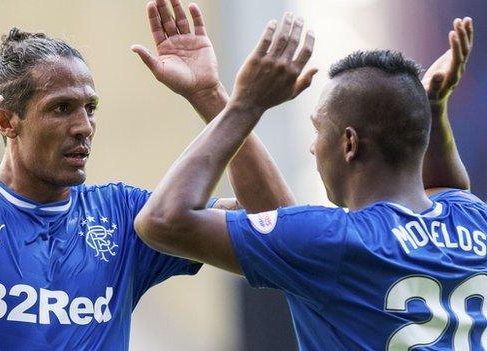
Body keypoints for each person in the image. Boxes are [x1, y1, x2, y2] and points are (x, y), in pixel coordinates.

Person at [0, 1, 293, 350]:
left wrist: (211, 97)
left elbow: (283, 231)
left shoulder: (127, 216)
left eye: (90, 108)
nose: (84, 125)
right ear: (7, 122)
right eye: (61, 108)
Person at [135, 14, 481, 350]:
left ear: (349, 144)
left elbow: (162, 220)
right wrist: (210, 95)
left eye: (319, 129)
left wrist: (246, 106)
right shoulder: (473, 221)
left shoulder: (335, 240)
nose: (313, 146)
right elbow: (448, 191)